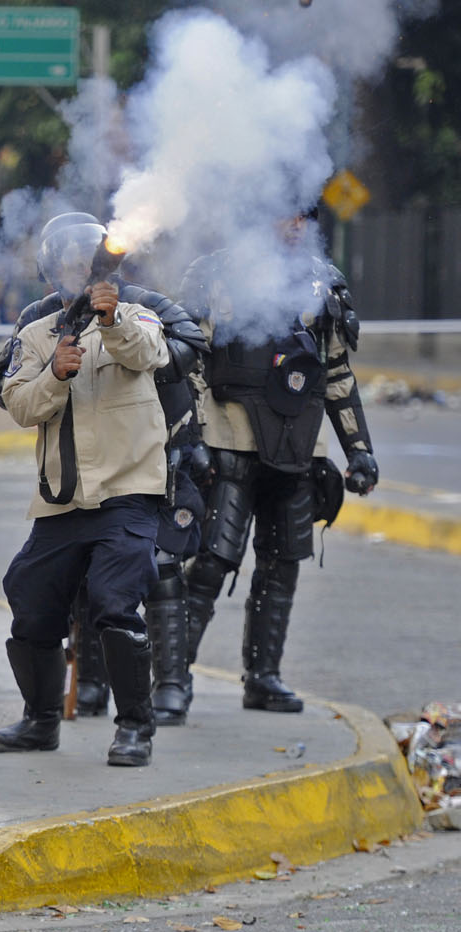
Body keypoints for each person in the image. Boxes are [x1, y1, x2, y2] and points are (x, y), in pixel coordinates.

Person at [0, 217, 210, 725]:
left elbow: (157, 353)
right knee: (30, 600)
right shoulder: (36, 331)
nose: (77, 269)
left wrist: (111, 322)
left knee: (117, 603)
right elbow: (17, 402)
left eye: (85, 259)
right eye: (66, 261)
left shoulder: (139, 314)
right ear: (51, 271)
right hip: (63, 498)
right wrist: (54, 373)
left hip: (126, 492)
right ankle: (40, 722)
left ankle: (136, 726)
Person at [175, 215, 378, 715]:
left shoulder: (321, 279)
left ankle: (263, 678)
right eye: (282, 211)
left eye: (302, 214)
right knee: (212, 562)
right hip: (229, 437)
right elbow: (187, 362)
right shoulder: (215, 273)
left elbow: (334, 373)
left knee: (283, 563)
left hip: (299, 446)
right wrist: (192, 437)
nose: (293, 224)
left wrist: (359, 450)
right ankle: (171, 678)